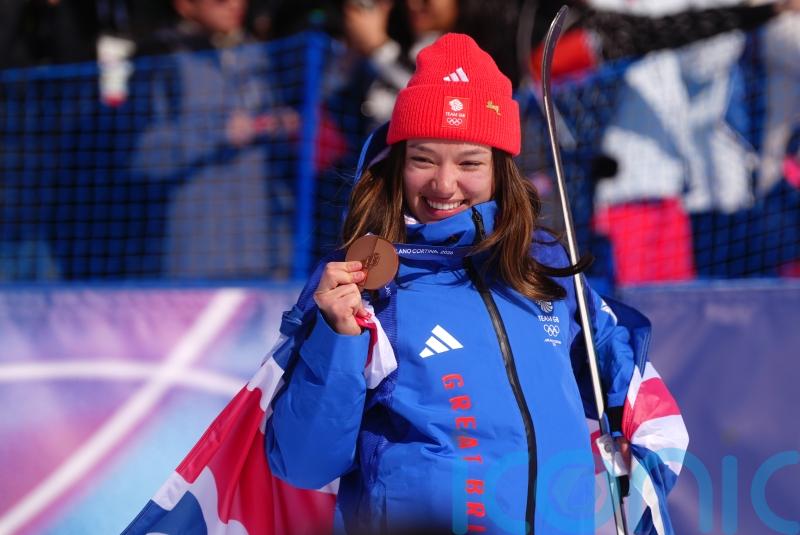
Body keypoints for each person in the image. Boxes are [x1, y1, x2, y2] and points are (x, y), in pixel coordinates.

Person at [265, 33, 687, 534]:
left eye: (469, 163)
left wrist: (631, 485)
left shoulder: (542, 270)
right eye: (423, 159)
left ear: (500, 170)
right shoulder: (361, 283)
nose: (445, 185)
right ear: (398, 163)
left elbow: (639, 403)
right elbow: (303, 462)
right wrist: (337, 339)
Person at [132, 0, 298, 278]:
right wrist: (217, 132)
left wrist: (283, 124)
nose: (234, 5)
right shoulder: (160, 58)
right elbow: (143, 155)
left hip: (267, 257)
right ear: (184, 5)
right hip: (197, 261)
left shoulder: (260, 54)